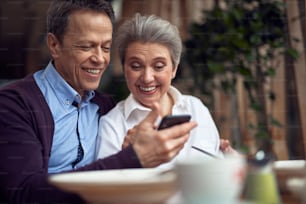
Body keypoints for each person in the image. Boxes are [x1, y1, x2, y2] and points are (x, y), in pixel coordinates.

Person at [0, 1, 197, 204]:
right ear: (54, 45)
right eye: (86, 46)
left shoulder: (107, 108)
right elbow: (23, 193)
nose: (100, 59)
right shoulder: (14, 104)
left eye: (106, 47)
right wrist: (131, 158)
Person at [96, 13, 228, 169]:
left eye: (158, 66)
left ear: (174, 69)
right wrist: (129, 158)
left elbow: (216, 169)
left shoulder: (196, 108)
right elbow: (108, 189)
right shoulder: (112, 125)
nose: (147, 78)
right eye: (136, 66)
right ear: (124, 70)